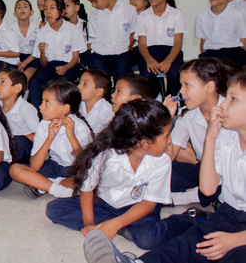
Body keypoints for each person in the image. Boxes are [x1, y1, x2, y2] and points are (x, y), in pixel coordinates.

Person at [84, 74, 246, 262]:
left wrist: (235, 240)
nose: (222, 105)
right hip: (229, 213)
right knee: (189, 243)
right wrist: (210, 138)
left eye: (233, 99)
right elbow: (208, 189)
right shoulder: (226, 138)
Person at [48, 99, 200, 251]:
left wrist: (116, 223)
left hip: (137, 206)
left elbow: (149, 204)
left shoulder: (162, 161)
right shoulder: (104, 155)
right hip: (103, 203)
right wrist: (88, 223)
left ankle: (188, 218)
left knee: (149, 239)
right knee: (55, 209)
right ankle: (120, 227)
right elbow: (86, 190)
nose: (169, 141)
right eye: (166, 136)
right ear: (145, 144)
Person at [167, 58, 237, 206]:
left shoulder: (232, 111)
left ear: (209, 86)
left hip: (232, 171)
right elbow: (169, 155)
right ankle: (196, 193)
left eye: (187, 85)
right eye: (181, 85)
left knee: (219, 188)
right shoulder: (187, 115)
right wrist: (165, 122)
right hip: (204, 169)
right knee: (160, 173)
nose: (181, 91)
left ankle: (185, 197)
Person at [10, 81, 93, 199]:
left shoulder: (81, 128)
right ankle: (57, 187)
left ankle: (44, 185)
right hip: (54, 166)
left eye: (47, 102)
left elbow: (84, 165)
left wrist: (71, 136)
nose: (41, 106)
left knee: (85, 181)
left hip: (75, 169)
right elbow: (35, 166)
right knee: (15, 170)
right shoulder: (44, 125)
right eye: (42, 101)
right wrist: (49, 138)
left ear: (65, 108)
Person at [27, 0, 87, 109]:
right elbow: (43, 64)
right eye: (45, 9)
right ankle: (39, 115)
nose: (48, 12)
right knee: (34, 82)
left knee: (59, 84)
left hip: (69, 65)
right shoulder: (42, 32)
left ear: (62, 11)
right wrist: (42, 52)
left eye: (52, 8)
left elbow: (75, 58)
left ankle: (58, 113)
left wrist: (66, 67)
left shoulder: (72, 30)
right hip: (50, 65)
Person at [136, 0, 187, 97]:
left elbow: (178, 43)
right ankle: (156, 98)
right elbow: (142, 44)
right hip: (150, 52)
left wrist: (168, 61)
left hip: (171, 51)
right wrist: (149, 59)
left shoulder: (176, 14)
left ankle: (173, 100)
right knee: (147, 74)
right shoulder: (143, 16)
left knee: (175, 73)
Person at [84, 0, 138, 83]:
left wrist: (127, 48)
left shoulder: (129, 10)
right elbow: (93, 38)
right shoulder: (95, 15)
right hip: (101, 54)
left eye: (95, 1)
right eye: (91, 2)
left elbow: (134, 32)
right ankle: (103, 100)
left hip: (122, 53)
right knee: (99, 79)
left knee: (122, 75)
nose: (93, 5)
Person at [195, 0, 246, 67]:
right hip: (212, 52)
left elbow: (243, 40)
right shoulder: (201, 16)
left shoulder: (237, 15)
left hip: (233, 52)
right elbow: (203, 42)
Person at [0, 68, 39, 164]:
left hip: (23, 147)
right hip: (5, 142)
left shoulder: (25, 108)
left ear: (17, 88)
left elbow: (38, 135)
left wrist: (11, 138)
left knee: (19, 141)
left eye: (2, 82)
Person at [78, 68, 114, 134]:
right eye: (79, 83)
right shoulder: (78, 104)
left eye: (85, 84)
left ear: (98, 91)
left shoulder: (106, 111)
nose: (79, 86)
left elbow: (97, 137)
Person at [12, 0, 41, 81]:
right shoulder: (10, 30)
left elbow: (38, 50)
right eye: (19, 7)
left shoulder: (37, 28)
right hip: (17, 58)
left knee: (26, 76)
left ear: (32, 12)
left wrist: (25, 62)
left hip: (33, 58)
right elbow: (10, 49)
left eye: (25, 6)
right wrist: (19, 62)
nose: (22, 9)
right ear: (14, 14)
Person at [64, 0, 91, 67]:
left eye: (67, 5)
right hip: (69, 55)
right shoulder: (62, 26)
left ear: (77, 7)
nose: (64, 9)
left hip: (85, 54)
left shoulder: (84, 24)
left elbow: (89, 44)